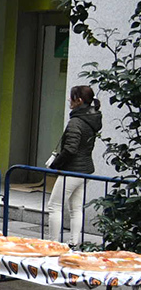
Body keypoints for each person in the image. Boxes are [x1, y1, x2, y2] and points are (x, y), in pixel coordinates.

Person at [46, 85, 103, 244]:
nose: (68, 100)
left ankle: (52, 244)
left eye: (71, 97)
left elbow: (70, 149)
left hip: (71, 171)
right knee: (76, 208)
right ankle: (74, 244)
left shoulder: (76, 122)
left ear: (78, 101)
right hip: (85, 170)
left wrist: (55, 165)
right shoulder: (92, 119)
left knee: (54, 206)